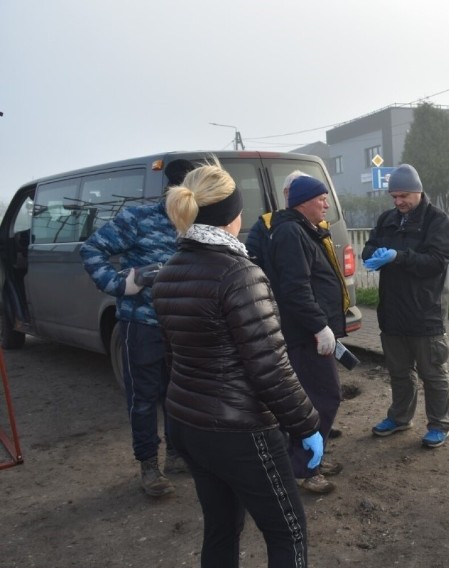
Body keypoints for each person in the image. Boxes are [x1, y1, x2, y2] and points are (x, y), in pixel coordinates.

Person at [151, 161, 324, 568]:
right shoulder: (240, 274)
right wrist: (307, 425)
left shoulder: (169, 272)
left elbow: (174, 357)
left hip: (187, 423)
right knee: (288, 533)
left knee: (221, 528)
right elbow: (270, 367)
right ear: (233, 214)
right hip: (240, 430)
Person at [80, 158, 195, 497]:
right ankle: (149, 465)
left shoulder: (198, 223)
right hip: (142, 325)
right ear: (172, 190)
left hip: (184, 327)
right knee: (144, 398)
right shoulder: (139, 218)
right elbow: (92, 249)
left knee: (179, 395)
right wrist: (120, 285)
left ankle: (177, 455)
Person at [249, 175, 349, 494]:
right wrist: (319, 326)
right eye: (321, 198)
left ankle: (311, 458)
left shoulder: (301, 229)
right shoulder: (292, 231)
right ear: (305, 201)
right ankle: (306, 467)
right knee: (322, 397)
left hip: (306, 331)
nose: (326, 204)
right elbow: (295, 288)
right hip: (304, 334)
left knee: (311, 397)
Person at [362, 163, 449, 448]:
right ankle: (400, 417)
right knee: (399, 372)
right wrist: (375, 254)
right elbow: (369, 247)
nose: (399, 202)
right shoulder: (387, 219)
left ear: (418, 191)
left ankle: (439, 424)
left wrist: (398, 257)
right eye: (394, 197)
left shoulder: (436, 221)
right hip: (392, 311)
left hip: (425, 311)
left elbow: (437, 262)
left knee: (432, 372)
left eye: (404, 196)